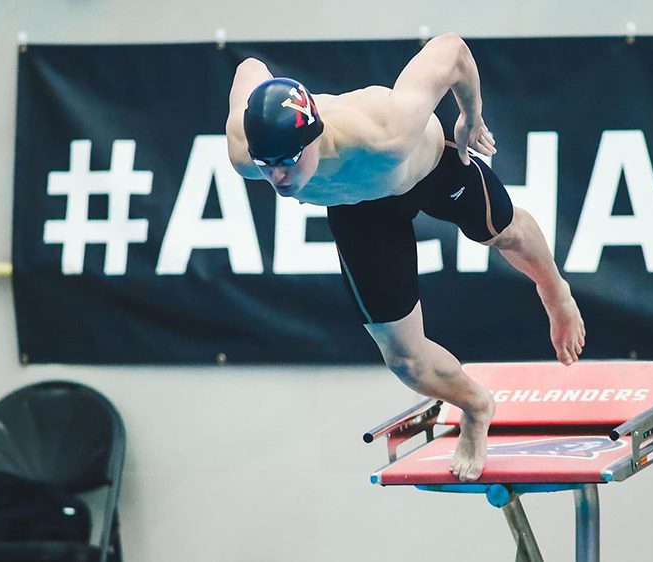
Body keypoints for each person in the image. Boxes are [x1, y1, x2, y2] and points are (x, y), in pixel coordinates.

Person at [226, 33, 586, 482]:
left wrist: (471, 118)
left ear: (315, 135)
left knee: (505, 231)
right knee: (404, 358)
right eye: (266, 164)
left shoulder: (385, 131)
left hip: (430, 170)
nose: (277, 177)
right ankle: (475, 405)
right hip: (359, 213)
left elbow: (452, 50)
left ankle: (556, 293)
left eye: (288, 160)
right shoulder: (243, 150)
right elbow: (248, 69)